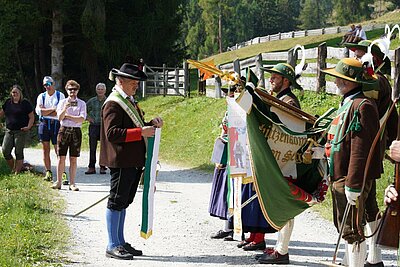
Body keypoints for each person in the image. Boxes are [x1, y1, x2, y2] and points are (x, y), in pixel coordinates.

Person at [100, 63, 163, 260]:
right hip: (120, 160)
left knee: (124, 201)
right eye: (133, 82)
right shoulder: (113, 103)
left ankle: (120, 241)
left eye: (136, 82)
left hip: (131, 160)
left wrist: (149, 125)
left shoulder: (129, 101)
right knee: (116, 201)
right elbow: (112, 134)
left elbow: (136, 126)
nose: (136, 85)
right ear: (121, 81)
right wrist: (140, 132)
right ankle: (112, 244)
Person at [322, 58, 381, 267]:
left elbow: (361, 150)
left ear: (350, 81)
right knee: (344, 225)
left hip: (349, 177)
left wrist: (354, 184)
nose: (336, 82)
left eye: (339, 78)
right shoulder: (349, 102)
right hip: (339, 173)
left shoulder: (362, 106)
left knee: (352, 229)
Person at [345, 39, 398, 267]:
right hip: (367, 147)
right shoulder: (374, 81)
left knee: (363, 205)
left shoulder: (374, 83)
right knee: (368, 204)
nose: (356, 59)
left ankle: (368, 258)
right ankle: (370, 258)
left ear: (373, 59)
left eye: (359, 55)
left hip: (365, 149)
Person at [254, 63, 302, 264]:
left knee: (284, 206)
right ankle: (279, 248)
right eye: (271, 76)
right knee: (278, 204)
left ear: (286, 81)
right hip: (277, 158)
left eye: (276, 77)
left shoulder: (289, 101)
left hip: (286, 159)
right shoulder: (280, 99)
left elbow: (289, 131)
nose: (272, 79)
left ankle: (282, 251)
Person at [52, 80, 86, 191]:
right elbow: (60, 117)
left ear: (78, 90)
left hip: (76, 131)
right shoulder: (62, 103)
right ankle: (58, 182)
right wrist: (65, 109)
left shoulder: (82, 103)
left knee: (73, 158)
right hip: (64, 130)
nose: (72, 92)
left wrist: (69, 116)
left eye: (74, 89)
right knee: (61, 157)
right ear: (66, 90)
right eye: (70, 89)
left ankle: (72, 183)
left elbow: (81, 119)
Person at [35, 76, 66, 183]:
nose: (47, 86)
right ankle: (48, 171)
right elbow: (39, 112)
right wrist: (53, 109)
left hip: (56, 124)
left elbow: (60, 111)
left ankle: (62, 172)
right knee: (45, 148)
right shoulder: (41, 96)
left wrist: (46, 111)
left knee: (58, 148)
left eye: (49, 84)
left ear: (53, 84)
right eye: (45, 85)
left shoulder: (60, 95)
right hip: (44, 124)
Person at [0, 85, 34, 173]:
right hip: (9, 131)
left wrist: (29, 127)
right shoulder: (8, 102)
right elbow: (1, 113)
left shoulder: (25, 103)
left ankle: (17, 173)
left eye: (16, 92)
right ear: (11, 93)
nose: (15, 94)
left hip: (21, 131)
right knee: (5, 150)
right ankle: (14, 168)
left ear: (20, 93)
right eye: (13, 92)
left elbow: (31, 117)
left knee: (18, 151)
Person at [85, 83, 107, 175]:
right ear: (96, 90)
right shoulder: (92, 101)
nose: (100, 91)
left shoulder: (108, 101)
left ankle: (103, 166)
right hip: (94, 126)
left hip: (104, 126)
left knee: (104, 147)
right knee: (92, 147)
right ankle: (91, 166)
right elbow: (83, 110)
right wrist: (88, 117)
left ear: (105, 90)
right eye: (98, 89)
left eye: (102, 89)